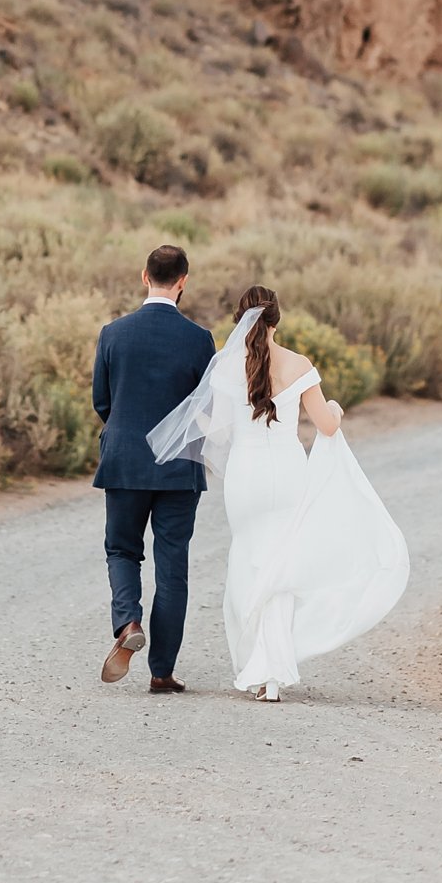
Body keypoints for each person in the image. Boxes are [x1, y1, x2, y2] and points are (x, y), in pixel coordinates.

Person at [148, 284, 409, 701]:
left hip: (245, 475)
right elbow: (326, 425)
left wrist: (233, 432)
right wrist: (338, 410)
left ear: (240, 319)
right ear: (276, 319)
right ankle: (272, 674)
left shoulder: (226, 367)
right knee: (281, 565)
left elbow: (202, 424)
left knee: (251, 562)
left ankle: (260, 666)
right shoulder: (298, 364)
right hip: (287, 472)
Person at [91, 244, 216, 693]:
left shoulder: (113, 333)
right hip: (179, 469)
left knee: (122, 551)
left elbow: (102, 402)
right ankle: (162, 672)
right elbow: (207, 409)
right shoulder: (199, 339)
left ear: (145, 276)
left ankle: (127, 623)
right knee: (173, 567)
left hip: (124, 460)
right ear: (183, 280)